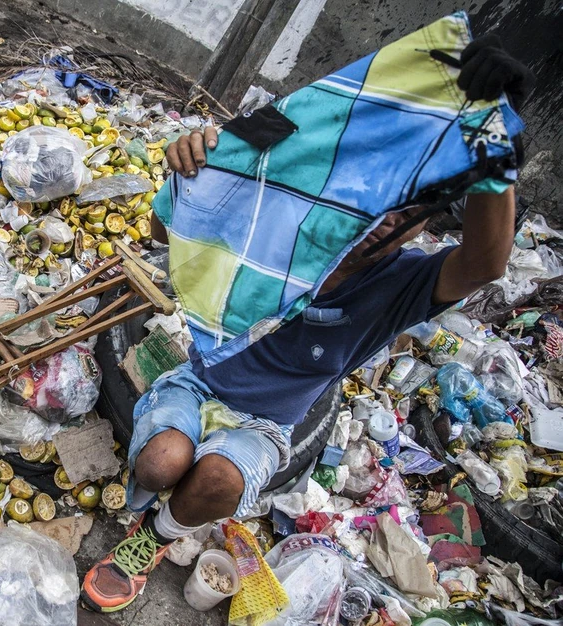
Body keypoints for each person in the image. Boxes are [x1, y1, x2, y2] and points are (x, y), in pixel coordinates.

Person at [81, 34, 534, 613]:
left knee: (217, 480)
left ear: (420, 227)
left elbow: (485, 264)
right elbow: (162, 236)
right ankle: (146, 497)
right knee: (161, 461)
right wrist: (194, 168)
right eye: (365, 206)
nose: (376, 225)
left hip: (267, 424)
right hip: (198, 384)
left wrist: (492, 153)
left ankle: (152, 538)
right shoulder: (275, 227)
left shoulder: (399, 286)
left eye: (401, 215)